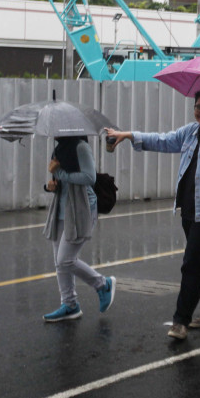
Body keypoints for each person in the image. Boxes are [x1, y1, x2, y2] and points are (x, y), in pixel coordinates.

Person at [105, 87, 200, 340]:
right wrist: (129, 135)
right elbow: (164, 140)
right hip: (190, 209)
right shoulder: (190, 132)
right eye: (198, 107)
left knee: (193, 264)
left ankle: (181, 320)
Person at [41, 136, 116, 322]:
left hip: (81, 207)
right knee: (59, 262)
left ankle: (103, 284)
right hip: (61, 208)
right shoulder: (59, 149)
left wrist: (60, 173)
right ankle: (70, 305)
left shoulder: (81, 147)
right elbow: (60, 180)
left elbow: (89, 177)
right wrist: (51, 186)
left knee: (65, 259)